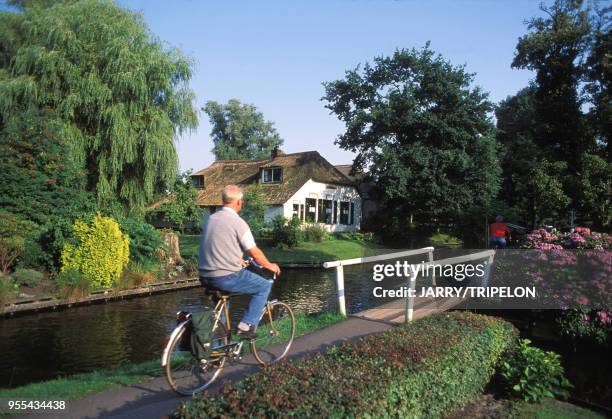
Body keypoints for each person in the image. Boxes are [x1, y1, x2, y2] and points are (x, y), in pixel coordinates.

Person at [199, 185, 281, 339]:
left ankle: (219, 349)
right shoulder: (238, 222)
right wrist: (270, 265)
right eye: (241, 201)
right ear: (238, 203)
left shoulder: (211, 219)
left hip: (205, 275)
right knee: (263, 286)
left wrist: (237, 260)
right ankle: (245, 326)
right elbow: (254, 253)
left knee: (222, 311)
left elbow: (216, 244)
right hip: (225, 276)